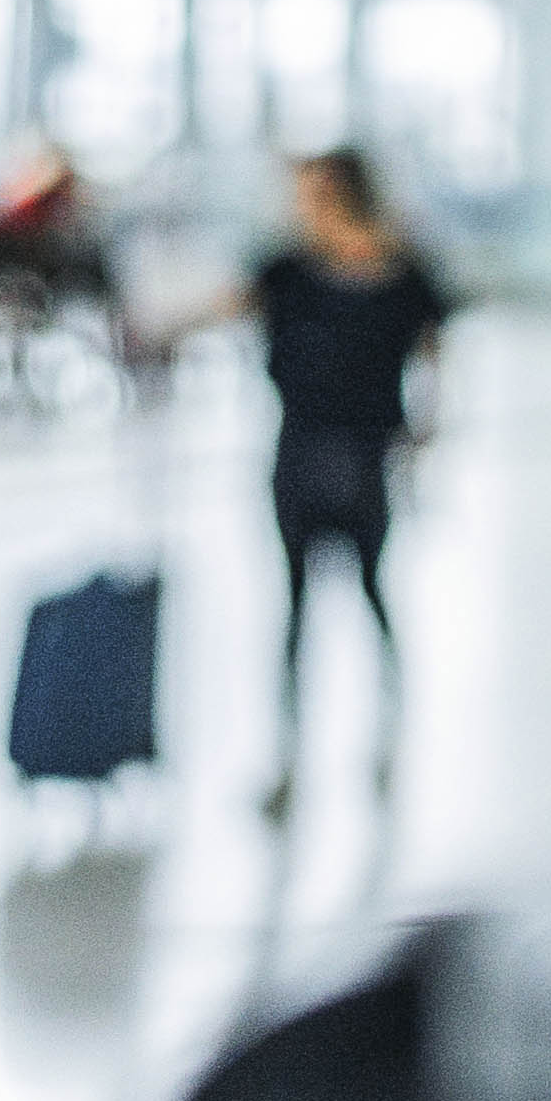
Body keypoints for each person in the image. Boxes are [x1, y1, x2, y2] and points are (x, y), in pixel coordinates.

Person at [238, 148, 452, 816]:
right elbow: (231, 305)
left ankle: (391, 721)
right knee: (296, 599)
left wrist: (429, 420)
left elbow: (433, 342)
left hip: (364, 454)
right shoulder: (288, 269)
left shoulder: (400, 270)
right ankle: (288, 746)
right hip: (299, 449)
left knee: (368, 587)